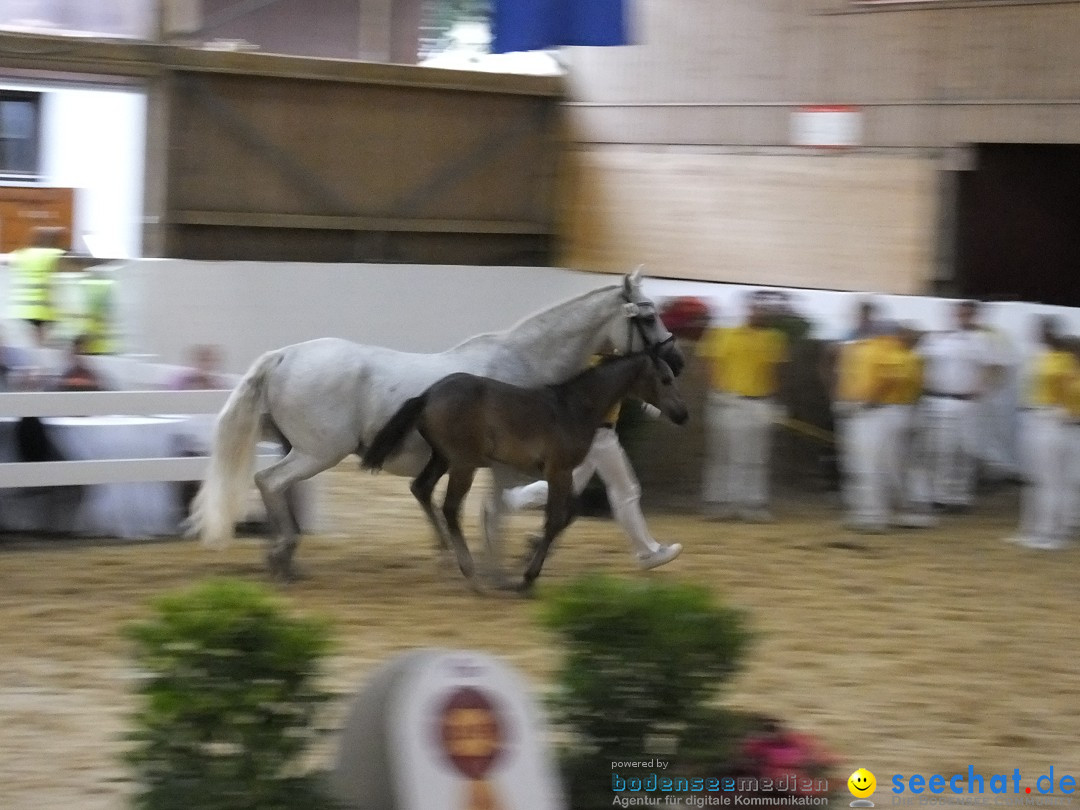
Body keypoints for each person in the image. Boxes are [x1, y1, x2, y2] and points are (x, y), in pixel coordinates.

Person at [499, 350, 683, 571]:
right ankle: (646, 552)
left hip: (596, 432)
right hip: (599, 435)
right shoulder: (601, 358)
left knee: (569, 487)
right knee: (625, 490)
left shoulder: (601, 355)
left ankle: (511, 499)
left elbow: (628, 385)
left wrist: (653, 403)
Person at [700, 289, 789, 522]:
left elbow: (776, 372)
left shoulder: (774, 338)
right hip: (728, 402)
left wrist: (775, 404)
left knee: (756, 456)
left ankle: (752, 504)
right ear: (746, 308)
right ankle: (720, 503)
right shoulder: (722, 334)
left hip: (759, 403)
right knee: (724, 454)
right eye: (756, 307)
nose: (760, 311)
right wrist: (718, 392)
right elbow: (711, 365)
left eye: (764, 308)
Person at [916, 299, 1005, 512]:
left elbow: (995, 367)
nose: (962, 317)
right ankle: (937, 495)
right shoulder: (938, 338)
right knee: (938, 450)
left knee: (964, 450)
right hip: (937, 399)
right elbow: (920, 360)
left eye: (967, 314)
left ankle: (959, 496)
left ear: (975, 316)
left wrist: (982, 388)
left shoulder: (982, 340)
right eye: (959, 313)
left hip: (966, 402)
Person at [1008, 316, 1076, 550]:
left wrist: (1067, 413)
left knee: (1051, 482)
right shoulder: (1043, 359)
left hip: (1053, 421)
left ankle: (1052, 533)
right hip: (1036, 419)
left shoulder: (1064, 362)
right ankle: (1033, 529)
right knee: (1035, 480)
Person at [7, 226, 66, 348]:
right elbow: (72, 260)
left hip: (24, 309)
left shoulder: (23, 253)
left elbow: (8, 259)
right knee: (41, 344)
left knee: (35, 343)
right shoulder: (53, 253)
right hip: (43, 309)